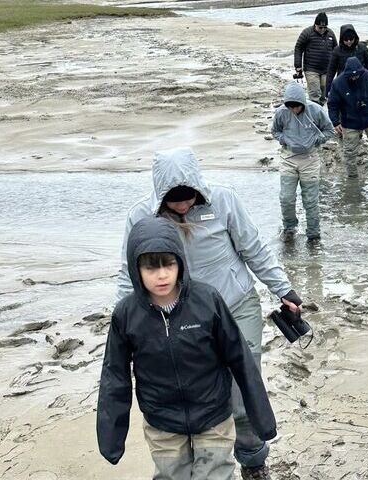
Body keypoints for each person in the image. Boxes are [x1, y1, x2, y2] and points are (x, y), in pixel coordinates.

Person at [116, 147, 302, 480]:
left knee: (242, 393)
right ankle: (202, 463)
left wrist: (283, 290)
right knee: (195, 395)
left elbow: (253, 248)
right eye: (174, 201)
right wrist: (126, 323)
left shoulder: (225, 200)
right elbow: (127, 273)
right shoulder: (142, 216)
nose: (183, 205)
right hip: (181, 320)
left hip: (235, 307)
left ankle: (253, 461)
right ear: (161, 196)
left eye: (189, 198)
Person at [98, 216, 277, 480]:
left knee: (215, 474)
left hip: (213, 414)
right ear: (136, 269)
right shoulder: (126, 314)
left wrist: (261, 417)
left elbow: (240, 357)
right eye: (150, 268)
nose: (162, 275)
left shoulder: (207, 300)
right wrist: (111, 436)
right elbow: (115, 375)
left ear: (180, 261)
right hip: (162, 422)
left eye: (169, 264)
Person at [271, 81, 335, 242]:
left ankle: (313, 234)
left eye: (297, 106)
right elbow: (275, 131)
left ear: (302, 103)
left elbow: (329, 130)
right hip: (288, 158)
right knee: (286, 198)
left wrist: (316, 141)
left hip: (310, 160)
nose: (294, 110)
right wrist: (284, 139)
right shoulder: (281, 113)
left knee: (311, 200)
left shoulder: (316, 110)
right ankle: (289, 228)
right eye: (290, 107)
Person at [327, 57, 368, 177]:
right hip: (349, 122)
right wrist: (335, 122)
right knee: (350, 152)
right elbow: (332, 104)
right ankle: (352, 178)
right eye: (351, 76)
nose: (354, 78)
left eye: (357, 75)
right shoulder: (338, 83)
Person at [293, 12, 337, 106]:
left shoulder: (331, 34)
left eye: (324, 27)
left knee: (325, 92)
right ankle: (314, 112)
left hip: (327, 69)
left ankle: (320, 111)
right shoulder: (307, 33)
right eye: (320, 27)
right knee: (315, 92)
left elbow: (336, 50)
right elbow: (298, 48)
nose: (322, 29)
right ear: (315, 25)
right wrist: (298, 66)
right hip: (311, 68)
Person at [325, 24, 368, 98]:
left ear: (355, 37)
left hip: (361, 81)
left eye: (351, 39)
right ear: (341, 39)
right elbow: (331, 70)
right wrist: (328, 89)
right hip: (344, 82)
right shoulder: (337, 51)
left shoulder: (362, 48)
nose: (349, 42)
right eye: (346, 40)